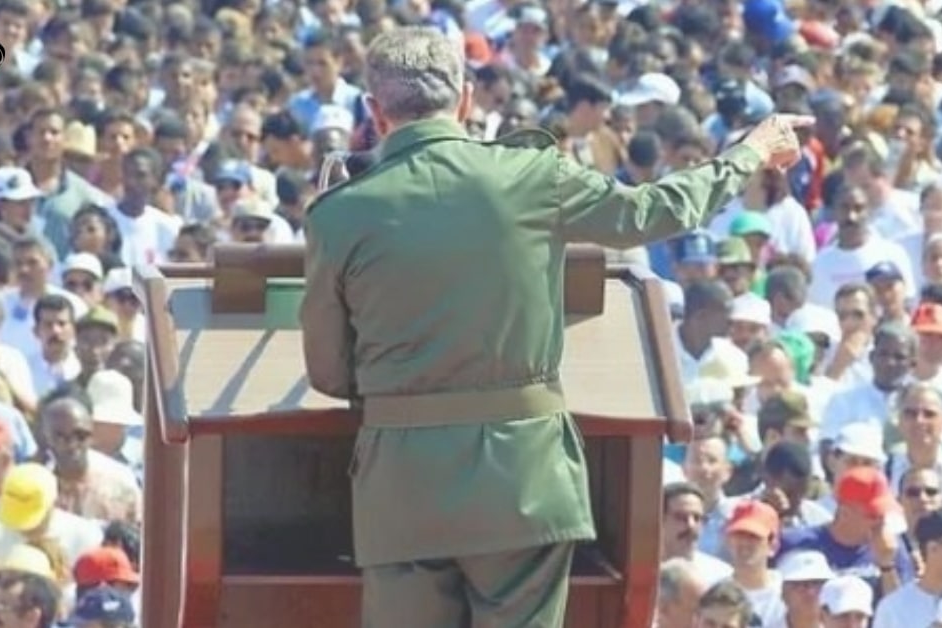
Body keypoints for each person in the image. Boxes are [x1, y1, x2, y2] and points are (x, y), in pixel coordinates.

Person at [298, 27, 812, 627]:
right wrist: (749, 152)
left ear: (374, 112)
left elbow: (329, 372)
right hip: (523, 483)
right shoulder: (531, 175)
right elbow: (653, 211)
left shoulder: (339, 214)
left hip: (402, 492)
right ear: (465, 100)